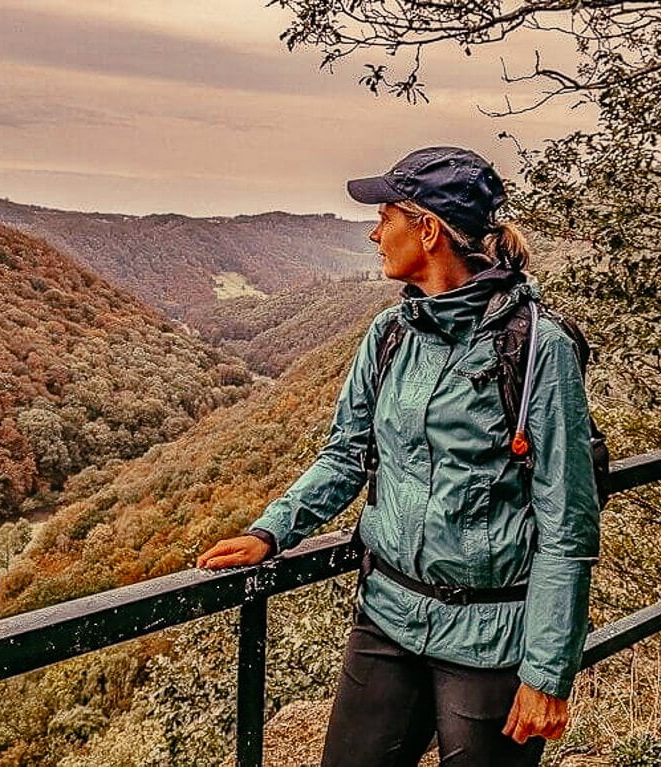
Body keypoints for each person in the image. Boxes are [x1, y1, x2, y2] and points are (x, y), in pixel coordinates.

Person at [196, 146, 600, 767]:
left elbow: (567, 523)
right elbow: (346, 456)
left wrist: (547, 672)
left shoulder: (539, 349)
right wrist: (271, 531)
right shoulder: (388, 337)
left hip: (491, 638)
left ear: (429, 229)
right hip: (386, 617)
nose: (373, 231)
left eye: (386, 216)